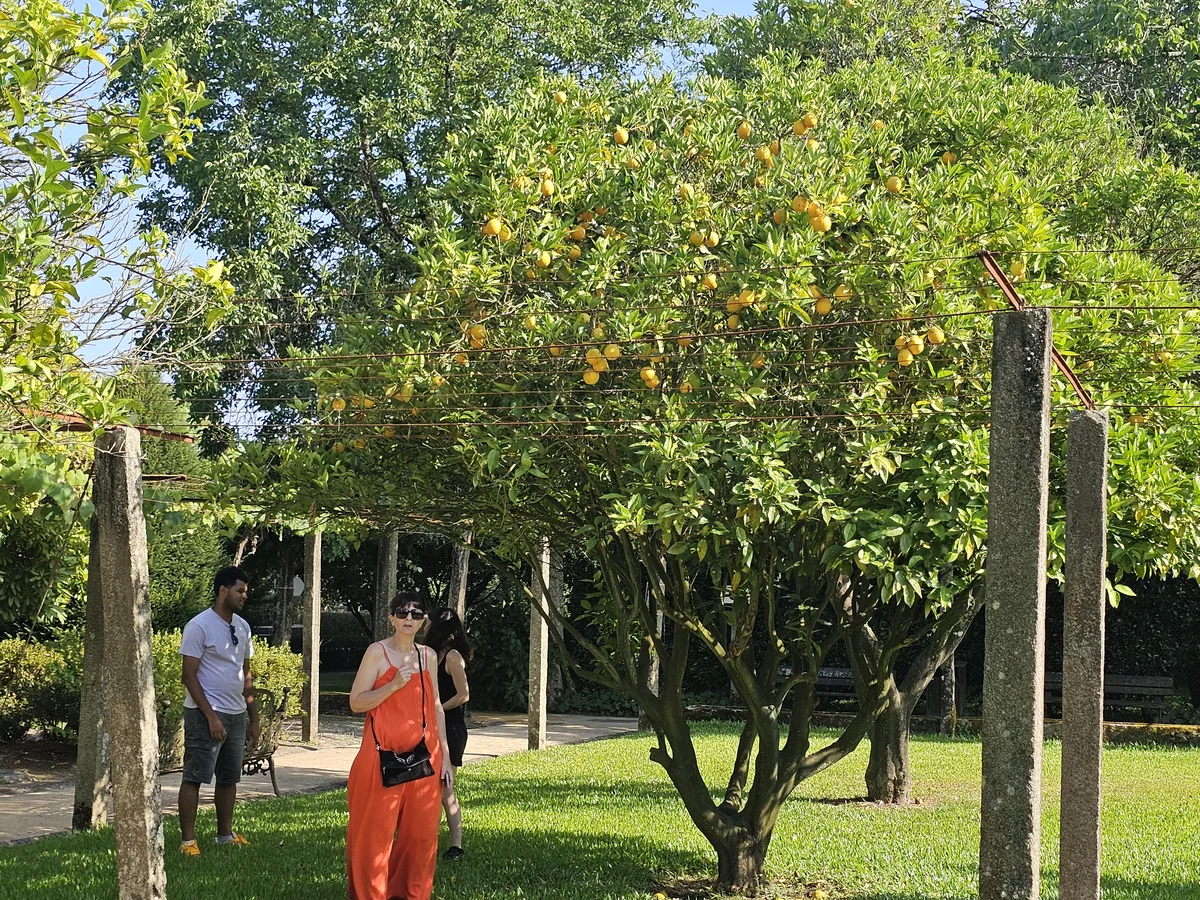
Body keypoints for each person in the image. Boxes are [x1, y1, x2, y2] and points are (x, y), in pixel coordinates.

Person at [346, 593, 453, 900]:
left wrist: (445, 756)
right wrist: (393, 685)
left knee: (421, 836)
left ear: (423, 621)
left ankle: (411, 894)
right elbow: (356, 702)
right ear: (391, 617)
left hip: (424, 757)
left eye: (416, 614)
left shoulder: (428, 656)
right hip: (380, 756)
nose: (409, 618)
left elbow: (436, 706)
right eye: (402, 612)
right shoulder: (377, 653)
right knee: (374, 836)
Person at [178, 565, 259, 856]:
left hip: (236, 714)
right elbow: (189, 676)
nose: (244, 596)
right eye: (240, 591)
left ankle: (225, 835)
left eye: (246, 591)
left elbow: (246, 674)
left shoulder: (243, 626)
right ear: (223, 591)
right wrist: (211, 716)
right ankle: (188, 842)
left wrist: (253, 718)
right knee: (195, 776)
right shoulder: (199, 626)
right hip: (205, 714)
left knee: (229, 778)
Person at [424, 607, 472, 860]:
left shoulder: (452, 656)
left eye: (428, 622)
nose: (423, 626)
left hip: (451, 728)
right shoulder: (429, 654)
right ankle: (425, 840)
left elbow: (463, 695)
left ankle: (456, 845)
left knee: (445, 788)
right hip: (430, 726)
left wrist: (437, 711)